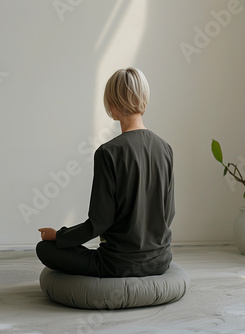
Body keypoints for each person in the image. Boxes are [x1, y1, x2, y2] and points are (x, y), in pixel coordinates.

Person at [36, 67, 175, 278]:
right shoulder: (165, 148)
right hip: (161, 260)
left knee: (44, 249)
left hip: (119, 264)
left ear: (112, 104)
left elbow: (99, 223)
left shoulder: (108, 153)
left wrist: (60, 236)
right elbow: (169, 212)